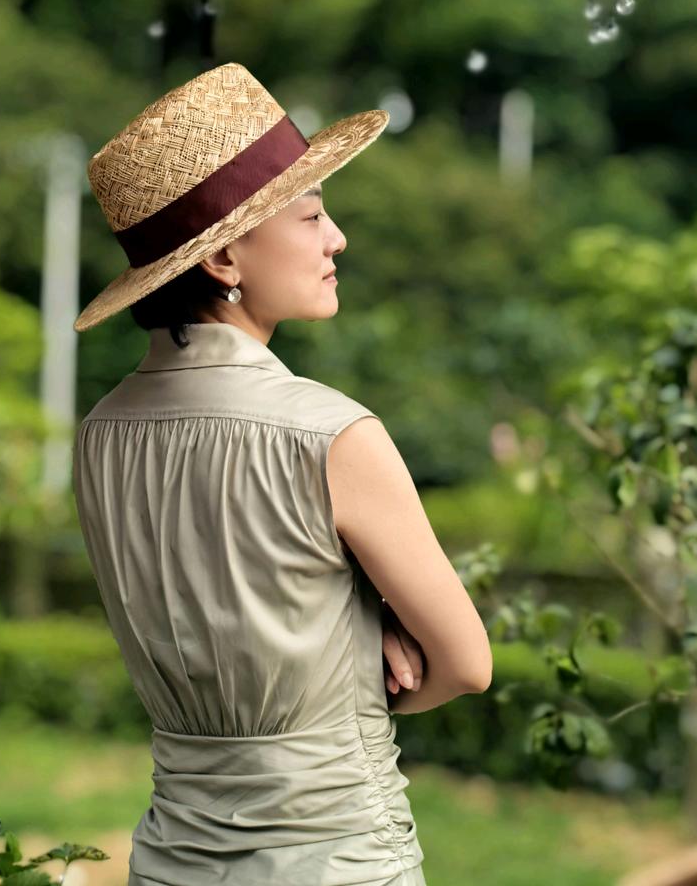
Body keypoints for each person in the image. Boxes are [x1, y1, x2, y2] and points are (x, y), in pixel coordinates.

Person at [71, 62, 492, 886]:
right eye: (312, 214)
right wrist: (359, 665)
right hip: (336, 858)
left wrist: (346, 633)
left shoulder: (99, 434)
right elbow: (466, 665)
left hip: (171, 861)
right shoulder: (331, 433)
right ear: (226, 257)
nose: (337, 239)